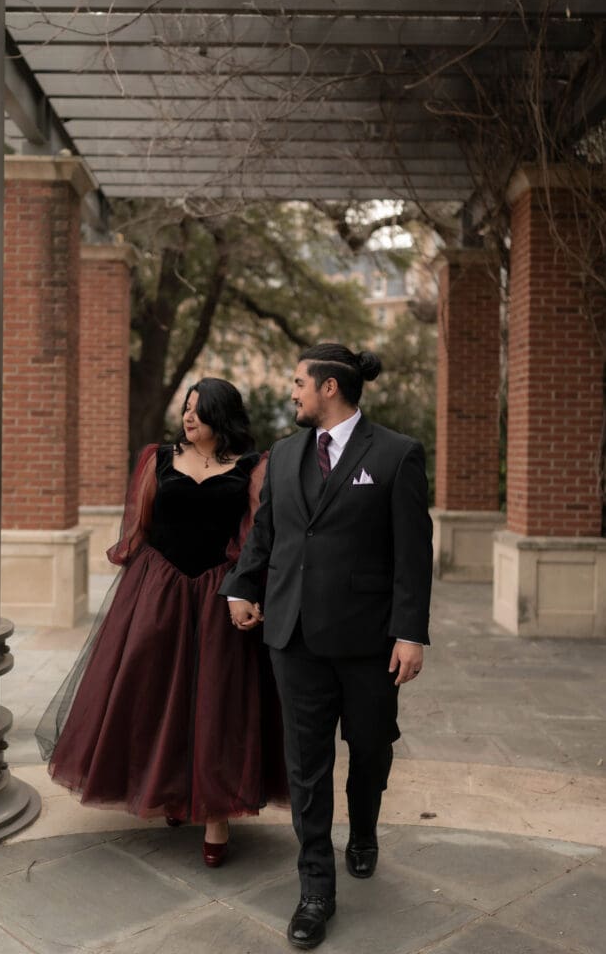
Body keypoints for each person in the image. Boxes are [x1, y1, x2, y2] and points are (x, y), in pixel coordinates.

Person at [221, 344, 432, 948]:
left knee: (370, 747)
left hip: (369, 642)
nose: (292, 393)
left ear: (330, 388)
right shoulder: (284, 457)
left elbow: (413, 555)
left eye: (298, 383)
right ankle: (316, 886)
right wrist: (241, 587)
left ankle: (362, 830)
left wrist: (411, 632)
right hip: (292, 636)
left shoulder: (396, 454)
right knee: (306, 765)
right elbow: (266, 537)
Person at [36, 378, 287, 868]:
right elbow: (140, 526)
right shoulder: (157, 459)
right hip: (159, 591)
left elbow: (257, 537)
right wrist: (140, 584)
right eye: (186, 409)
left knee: (217, 703)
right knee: (156, 695)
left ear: (223, 416)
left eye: (199, 410)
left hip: (219, 594)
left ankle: (217, 813)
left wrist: (246, 590)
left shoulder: (254, 469)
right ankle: (173, 790)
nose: (188, 418)